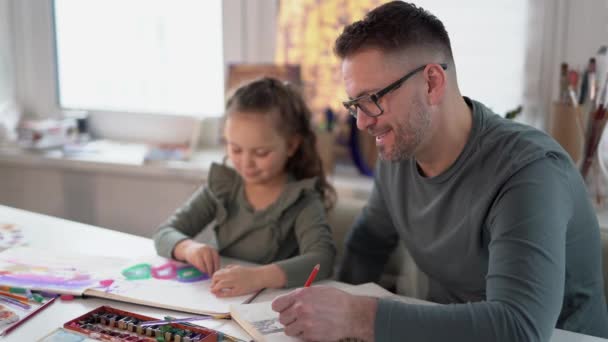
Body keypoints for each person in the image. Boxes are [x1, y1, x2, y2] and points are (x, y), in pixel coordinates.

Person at [272, 2, 608, 341]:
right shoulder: (399, 154)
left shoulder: (529, 171)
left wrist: (357, 317)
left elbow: (519, 327)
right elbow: (368, 245)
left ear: (432, 82)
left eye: (372, 98)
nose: (362, 122)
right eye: (355, 104)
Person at [154, 77, 336, 298]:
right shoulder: (223, 186)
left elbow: (322, 259)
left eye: (261, 153)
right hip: (218, 299)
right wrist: (189, 248)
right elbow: (164, 233)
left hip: (267, 305)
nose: (246, 163)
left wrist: (257, 277)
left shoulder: (301, 199)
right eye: (236, 149)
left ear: (291, 145)